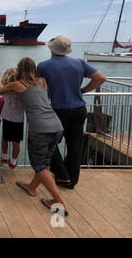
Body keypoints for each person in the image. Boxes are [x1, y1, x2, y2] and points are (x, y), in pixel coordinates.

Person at [0, 57, 68, 216]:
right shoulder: (43, 81)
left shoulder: (18, 84)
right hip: (56, 126)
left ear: (19, 70)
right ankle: (31, 188)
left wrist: (10, 83)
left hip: (40, 129)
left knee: (39, 165)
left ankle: (59, 201)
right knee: (45, 162)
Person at [37, 36, 106, 189]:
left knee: (47, 145)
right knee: (75, 146)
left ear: (51, 49)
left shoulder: (43, 66)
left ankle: (62, 175)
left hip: (56, 111)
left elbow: (37, 87)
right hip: (78, 110)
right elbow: (101, 78)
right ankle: (71, 180)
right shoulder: (79, 63)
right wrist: (83, 91)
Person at [0, 67, 24, 169]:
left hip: (6, 118)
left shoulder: (4, 90)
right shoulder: (22, 90)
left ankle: (4, 158)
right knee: (16, 142)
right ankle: (13, 162)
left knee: (5, 139)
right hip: (18, 120)